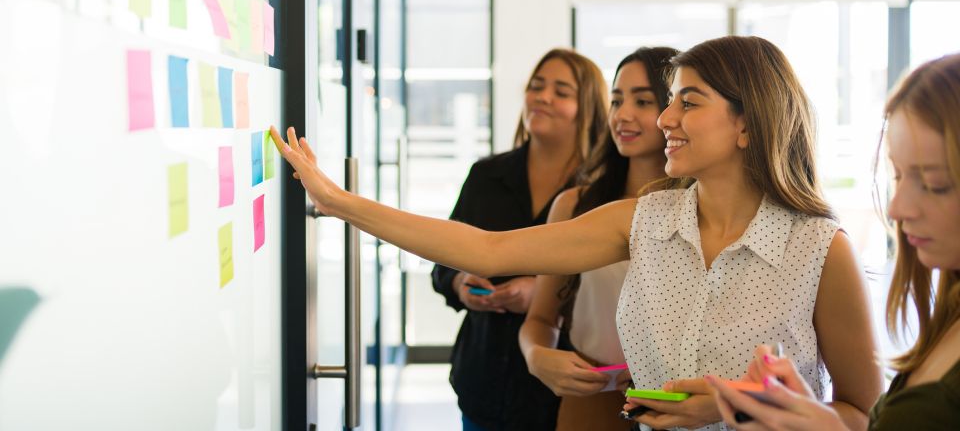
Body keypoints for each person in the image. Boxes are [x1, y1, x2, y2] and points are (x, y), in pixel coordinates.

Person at [270, 35, 883, 431]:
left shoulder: (818, 251)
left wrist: (740, 410)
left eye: (687, 103)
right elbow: (486, 247)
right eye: (667, 101)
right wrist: (338, 201)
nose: (663, 119)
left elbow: (863, 415)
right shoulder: (644, 220)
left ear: (749, 124)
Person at [708, 53, 960, 430]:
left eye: (935, 184)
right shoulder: (947, 318)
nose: (897, 207)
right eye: (899, 176)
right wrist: (808, 417)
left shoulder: (821, 244)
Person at [431, 48, 609, 431]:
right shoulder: (486, 175)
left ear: (589, 108)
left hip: (558, 392)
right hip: (482, 381)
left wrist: (542, 293)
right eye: (536, 86)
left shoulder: (598, 193)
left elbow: (611, 286)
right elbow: (443, 262)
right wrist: (461, 283)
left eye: (561, 91)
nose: (542, 97)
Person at [518, 47, 682, 431]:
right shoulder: (575, 205)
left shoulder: (703, 209)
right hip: (591, 398)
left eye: (643, 101)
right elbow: (539, 319)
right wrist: (537, 357)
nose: (623, 115)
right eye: (616, 100)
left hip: (679, 402)